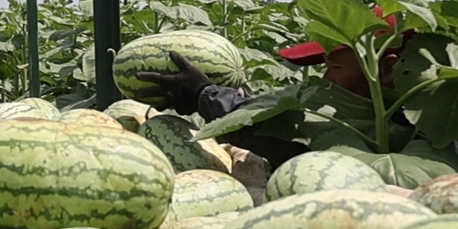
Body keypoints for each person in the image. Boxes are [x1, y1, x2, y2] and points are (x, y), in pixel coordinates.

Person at [132, 15, 411, 167]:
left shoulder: (410, 131)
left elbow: (292, 135)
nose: (325, 79)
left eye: (335, 67)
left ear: (388, 69)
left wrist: (205, 95)